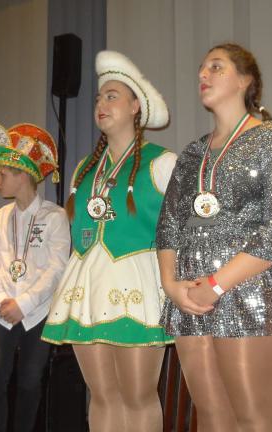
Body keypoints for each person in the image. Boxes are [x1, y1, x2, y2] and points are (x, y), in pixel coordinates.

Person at [156, 42, 272, 431]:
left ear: (245, 81)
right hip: (190, 294)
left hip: (249, 289)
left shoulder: (271, 141)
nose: (203, 74)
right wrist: (171, 285)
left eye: (216, 67)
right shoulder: (192, 153)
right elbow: (168, 224)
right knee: (211, 417)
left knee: (252, 419)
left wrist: (216, 285)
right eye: (202, 68)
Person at [41, 50, 176, 431]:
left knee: (138, 397)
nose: (101, 104)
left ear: (136, 107)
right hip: (88, 287)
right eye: (99, 98)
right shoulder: (83, 170)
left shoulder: (163, 163)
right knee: (101, 396)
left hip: (138, 284)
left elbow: (180, 233)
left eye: (112, 96)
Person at [0, 121, 70, 432]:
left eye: (3, 174)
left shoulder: (54, 216)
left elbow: (57, 268)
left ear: (22, 176)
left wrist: (25, 303)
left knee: (30, 382)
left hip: (37, 313)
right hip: (2, 310)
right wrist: (0, 299)